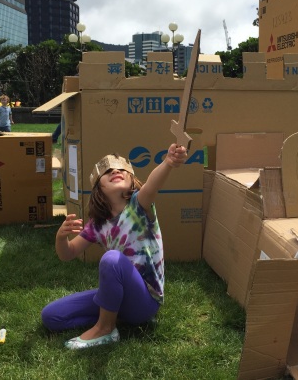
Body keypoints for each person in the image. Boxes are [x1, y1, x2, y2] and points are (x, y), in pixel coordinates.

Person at [41, 143, 188, 350]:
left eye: (122, 170)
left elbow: (153, 184)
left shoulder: (140, 205)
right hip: (118, 297)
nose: (116, 171)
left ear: (133, 182)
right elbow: (68, 253)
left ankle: (105, 328)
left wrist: (168, 162)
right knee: (51, 316)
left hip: (144, 302)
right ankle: (115, 318)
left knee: (112, 259)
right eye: (108, 171)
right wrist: (60, 238)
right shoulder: (97, 225)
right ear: (98, 187)